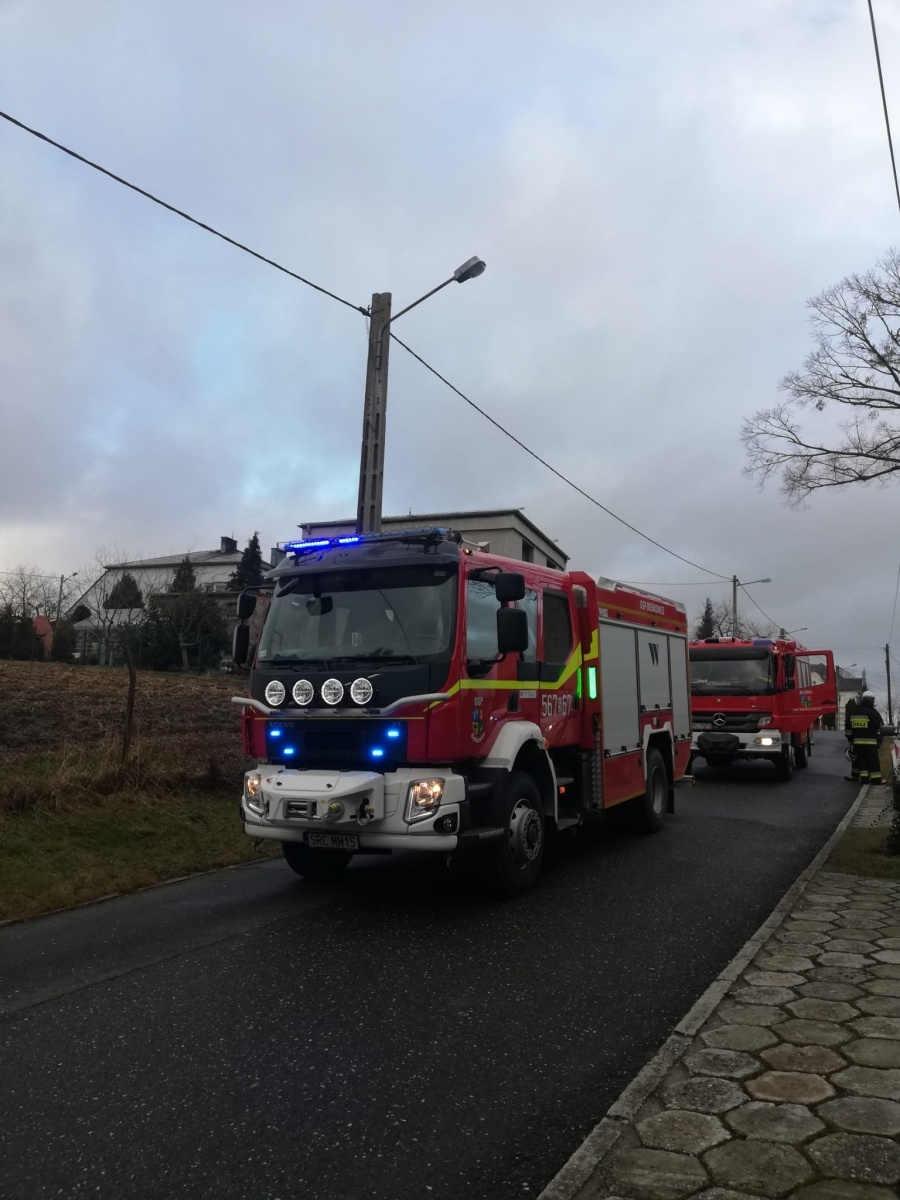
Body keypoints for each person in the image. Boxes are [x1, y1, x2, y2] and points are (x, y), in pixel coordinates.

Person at [846, 691, 884, 784]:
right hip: (871, 744)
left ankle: (864, 779)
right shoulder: (874, 713)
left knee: (861, 761)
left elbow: (848, 729)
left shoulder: (854, 712)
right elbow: (879, 729)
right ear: (872, 700)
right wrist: (879, 741)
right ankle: (876, 780)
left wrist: (850, 740)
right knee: (873, 761)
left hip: (857, 743)